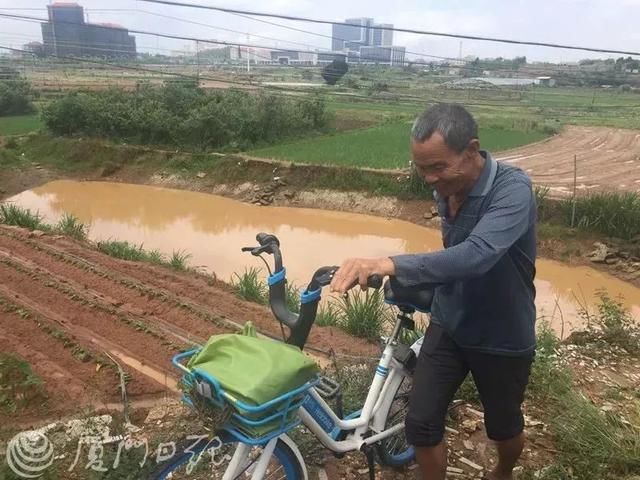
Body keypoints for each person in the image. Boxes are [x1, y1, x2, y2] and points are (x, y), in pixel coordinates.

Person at [330, 103, 537, 480]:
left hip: (503, 333)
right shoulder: (447, 186)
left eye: (438, 167)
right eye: (421, 168)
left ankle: (504, 469)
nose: (428, 179)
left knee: (503, 427)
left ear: (472, 151)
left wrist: (387, 263)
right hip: (450, 321)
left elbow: (477, 255)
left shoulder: (513, 190)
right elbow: (452, 255)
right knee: (421, 424)